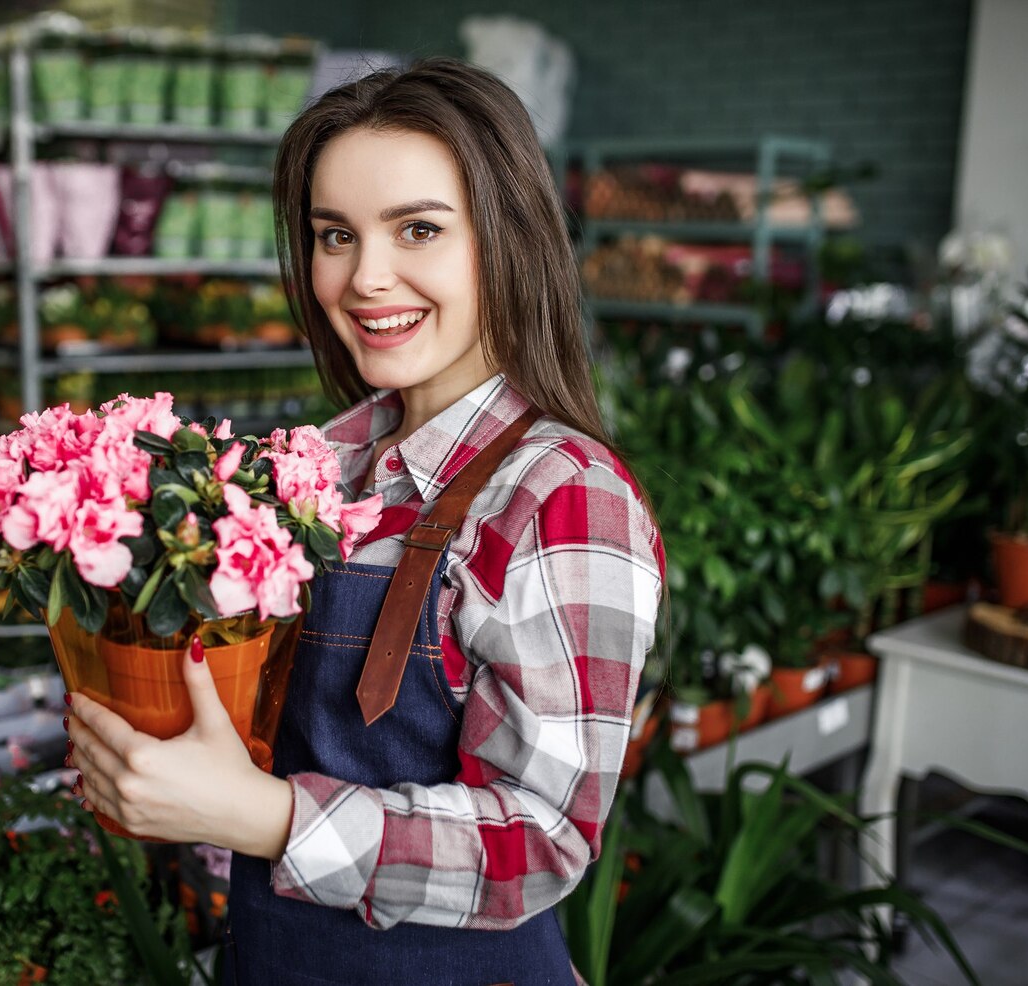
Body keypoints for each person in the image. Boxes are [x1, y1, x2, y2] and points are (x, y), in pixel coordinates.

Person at [65, 57, 664, 985]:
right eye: (335, 235)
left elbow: (540, 841)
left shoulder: (560, 495)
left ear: (508, 240)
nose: (365, 278)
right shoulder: (311, 469)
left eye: (418, 229)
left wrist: (264, 818)